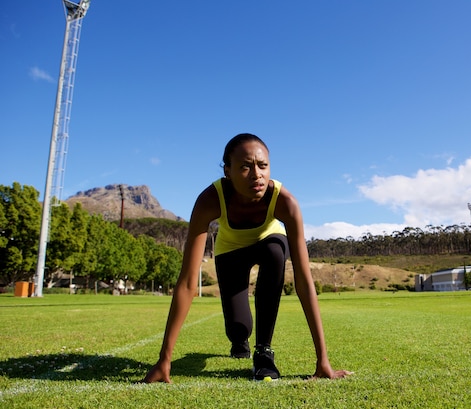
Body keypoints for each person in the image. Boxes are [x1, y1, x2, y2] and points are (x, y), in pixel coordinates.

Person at [143, 133, 351, 383]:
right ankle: (239, 341)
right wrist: (164, 360)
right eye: (245, 167)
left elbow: (304, 282)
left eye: (263, 166)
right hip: (230, 249)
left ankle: (264, 352)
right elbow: (188, 282)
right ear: (227, 171)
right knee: (239, 328)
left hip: (268, 240)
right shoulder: (209, 200)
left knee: (276, 250)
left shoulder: (286, 202)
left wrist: (323, 361)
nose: (256, 175)